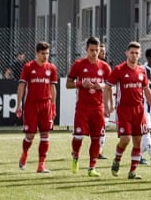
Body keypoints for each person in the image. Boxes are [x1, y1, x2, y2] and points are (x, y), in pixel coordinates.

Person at [107, 41, 151, 180]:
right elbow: (107, 87)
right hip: (124, 110)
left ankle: (132, 172)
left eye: (136, 53)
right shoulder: (118, 69)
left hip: (139, 110)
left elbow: (146, 90)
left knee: (137, 141)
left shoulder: (141, 70)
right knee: (125, 139)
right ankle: (117, 159)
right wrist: (109, 104)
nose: (134, 55)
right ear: (126, 53)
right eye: (132, 52)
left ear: (140, 55)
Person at [66, 36, 112, 178]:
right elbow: (68, 84)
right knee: (78, 136)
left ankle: (92, 167)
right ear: (86, 50)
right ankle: (75, 156)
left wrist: (102, 86)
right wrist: (81, 84)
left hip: (98, 108)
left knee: (97, 138)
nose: (94, 53)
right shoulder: (79, 64)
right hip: (82, 108)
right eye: (91, 50)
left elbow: (110, 85)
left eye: (97, 50)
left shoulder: (105, 67)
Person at [15, 42, 58, 173]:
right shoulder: (28, 67)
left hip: (46, 105)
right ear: (37, 53)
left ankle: (41, 165)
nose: (45, 56)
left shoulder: (51, 68)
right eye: (42, 53)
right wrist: (19, 105)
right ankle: (25, 154)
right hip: (31, 105)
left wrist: (53, 106)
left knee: (45, 134)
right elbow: (21, 86)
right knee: (30, 135)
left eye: (47, 53)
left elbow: (52, 87)